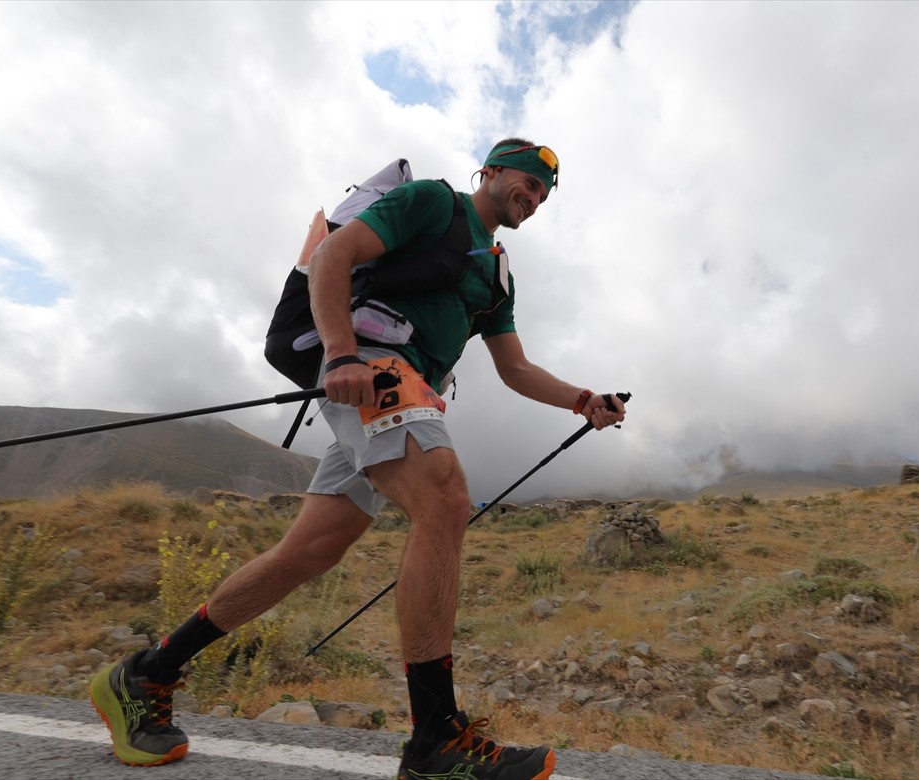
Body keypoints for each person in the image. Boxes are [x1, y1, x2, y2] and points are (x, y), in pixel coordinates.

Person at [89, 139, 626, 780]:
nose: (533, 196)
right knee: (445, 499)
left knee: (309, 551)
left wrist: (583, 400)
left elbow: (514, 369)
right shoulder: (432, 202)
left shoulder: (497, 272)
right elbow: (333, 256)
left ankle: (145, 674)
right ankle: (434, 740)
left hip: (407, 387)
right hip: (369, 366)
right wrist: (341, 352)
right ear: (491, 170)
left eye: (544, 192)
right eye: (527, 180)